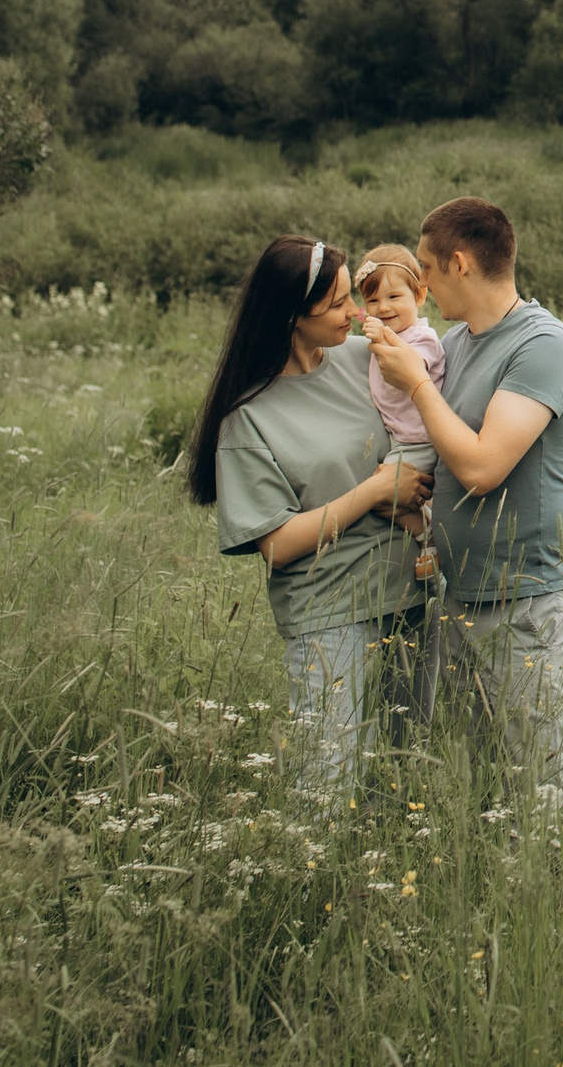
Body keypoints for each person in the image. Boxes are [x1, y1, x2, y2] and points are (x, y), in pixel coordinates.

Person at [367, 196, 563, 815]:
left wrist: (415, 381)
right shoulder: (456, 342)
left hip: (528, 600)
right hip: (463, 596)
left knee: (539, 787)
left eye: (425, 268)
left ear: (459, 264)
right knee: (488, 785)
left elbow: (482, 467)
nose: (421, 284)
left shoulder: (544, 346)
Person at [188, 234, 433, 800]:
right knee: (327, 786)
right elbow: (276, 545)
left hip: (412, 596)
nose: (359, 313)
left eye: (353, 297)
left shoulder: (366, 358)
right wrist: (375, 491)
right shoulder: (248, 418)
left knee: (405, 777)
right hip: (330, 616)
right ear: (291, 317)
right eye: (339, 304)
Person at [355, 243, 448, 583]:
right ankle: (433, 527)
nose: (383, 308)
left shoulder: (422, 338)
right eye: (373, 301)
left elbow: (410, 366)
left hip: (420, 437)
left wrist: (383, 336)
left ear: (419, 296)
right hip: (403, 437)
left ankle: (431, 537)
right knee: (394, 494)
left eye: (394, 297)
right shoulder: (388, 338)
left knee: (382, 498)